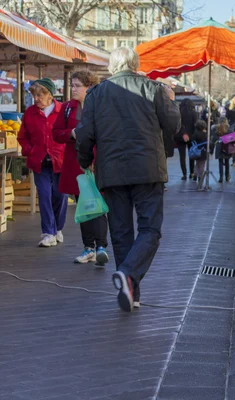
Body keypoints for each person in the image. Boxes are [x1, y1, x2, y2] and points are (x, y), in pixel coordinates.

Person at [76, 47, 181, 312]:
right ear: (135, 65)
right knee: (150, 229)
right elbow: (173, 126)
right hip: (147, 170)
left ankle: (129, 290)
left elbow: (85, 133)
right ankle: (129, 276)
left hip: (111, 172)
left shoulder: (96, 94)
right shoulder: (153, 88)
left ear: (112, 66)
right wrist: (171, 99)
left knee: (121, 233)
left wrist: (84, 160)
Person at [52, 70, 109, 264]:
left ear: (89, 87)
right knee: (83, 207)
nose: (73, 89)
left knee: (98, 206)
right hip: (75, 165)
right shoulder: (67, 107)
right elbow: (56, 133)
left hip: (97, 164)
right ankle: (88, 248)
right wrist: (72, 133)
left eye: (77, 86)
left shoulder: (101, 107)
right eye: (72, 85)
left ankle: (101, 246)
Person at [17, 78, 67, 248]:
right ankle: (48, 233)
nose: (36, 98)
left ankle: (58, 228)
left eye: (39, 95)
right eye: (34, 95)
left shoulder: (62, 110)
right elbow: (22, 137)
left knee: (60, 196)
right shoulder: (30, 113)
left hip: (60, 160)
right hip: (39, 161)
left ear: (50, 95)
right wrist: (30, 150)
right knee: (44, 195)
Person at [175, 98, 197, 181]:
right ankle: (192, 173)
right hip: (191, 137)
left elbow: (178, 125)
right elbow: (196, 125)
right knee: (192, 155)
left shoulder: (179, 113)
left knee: (182, 156)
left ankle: (184, 174)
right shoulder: (194, 113)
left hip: (180, 137)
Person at [211, 116, 232, 183]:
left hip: (219, 147)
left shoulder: (216, 129)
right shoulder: (228, 129)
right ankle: (227, 177)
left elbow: (213, 139)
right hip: (226, 147)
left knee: (220, 162)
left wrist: (211, 150)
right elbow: (232, 138)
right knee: (227, 162)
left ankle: (221, 178)